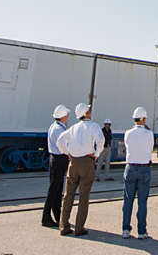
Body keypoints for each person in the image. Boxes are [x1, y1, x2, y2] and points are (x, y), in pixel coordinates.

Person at [56, 102, 104, 237]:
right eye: (89, 110)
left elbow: (60, 140)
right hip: (86, 163)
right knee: (84, 197)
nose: (90, 111)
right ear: (86, 113)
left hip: (73, 163)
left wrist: (67, 153)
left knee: (68, 195)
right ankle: (79, 228)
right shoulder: (93, 126)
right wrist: (96, 154)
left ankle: (64, 226)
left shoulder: (73, 128)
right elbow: (100, 140)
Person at [122, 106, 154, 240]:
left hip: (130, 168)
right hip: (144, 168)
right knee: (142, 201)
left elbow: (127, 146)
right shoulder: (149, 134)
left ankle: (125, 229)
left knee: (128, 200)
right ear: (144, 119)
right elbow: (150, 148)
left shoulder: (128, 133)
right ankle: (142, 231)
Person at [41, 105, 69, 228]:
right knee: (54, 189)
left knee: (57, 189)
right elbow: (64, 146)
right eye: (66, 115)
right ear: (63, 117)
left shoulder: (54, 127)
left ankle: (57, 216)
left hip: (55, 159)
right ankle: (46, 217)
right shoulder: (59, 130)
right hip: (59, 159)